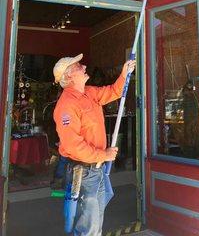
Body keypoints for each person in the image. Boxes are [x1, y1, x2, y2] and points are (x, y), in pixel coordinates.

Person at [53, 53, 136, 236]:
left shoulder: (89, 92)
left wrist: (124, 74)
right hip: (83, 172)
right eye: (78, 66)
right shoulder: (66, 106)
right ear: (68, 77)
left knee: (95, 220)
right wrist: (104, 155)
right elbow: (74, 146)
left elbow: (114, 91)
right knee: (89, 226)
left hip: (96, 170)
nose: (84, 67)